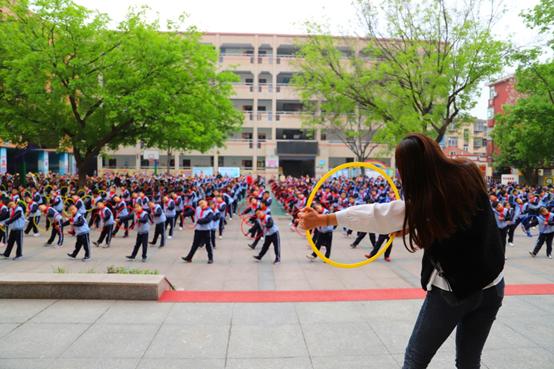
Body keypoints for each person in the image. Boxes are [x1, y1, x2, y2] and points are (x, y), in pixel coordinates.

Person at [298, 133, 505, 369]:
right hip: (493, 285)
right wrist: (416, 225)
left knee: (415, 359)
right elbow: (460, 219)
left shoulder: (427, 201)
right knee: (469, 361)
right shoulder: (469, 173)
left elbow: (379, 215)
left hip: (453, 292)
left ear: (410, 170)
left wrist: (323, 219)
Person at [182, 199, 214, 264]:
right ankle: (189, 258)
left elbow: (207, 220)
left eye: (203, 204)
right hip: (198, 230)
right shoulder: (198, 208)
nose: (201, 205)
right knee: (195, 244)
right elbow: (192, 212)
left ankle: (210, 258)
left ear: (206, 204)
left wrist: (199, 221)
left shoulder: (210, 211)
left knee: (208, 245)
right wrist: (184, 214)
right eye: (200, 204)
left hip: (206, 230)